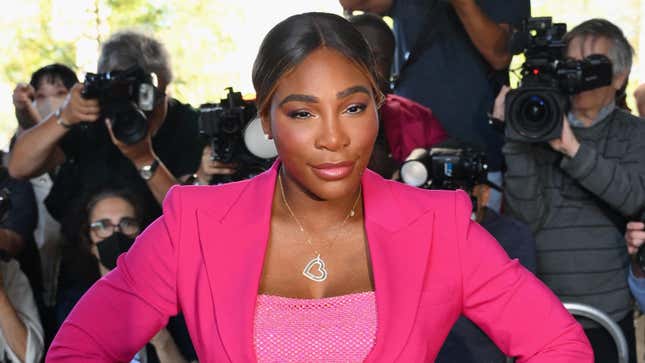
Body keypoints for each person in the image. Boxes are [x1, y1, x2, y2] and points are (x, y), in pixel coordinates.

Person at [47, 12, 592, 362]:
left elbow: (559, 345)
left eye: (354, 107)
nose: (334, 138)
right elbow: (78, 348)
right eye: (304, 112)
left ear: (380, 107)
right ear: (267, 118)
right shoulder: (195, 222)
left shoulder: (437, 224)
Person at [500, 18, 645, 363]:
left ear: (620, 77)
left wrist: (572, 148)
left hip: (608, 314)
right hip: (544, 314)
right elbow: (525, 219)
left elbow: (635, 198)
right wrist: (516, 136)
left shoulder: (635, 134)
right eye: (568, 65)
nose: (576, 76)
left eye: (588, 66)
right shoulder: (535, 127)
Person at [339, 0, 530, 211]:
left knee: (469, 237)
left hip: (477, 153)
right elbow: (353, 3)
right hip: (405, 136)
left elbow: (500, 56)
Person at [8, 30, 202, 227]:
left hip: (162, 248)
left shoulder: (189, 126)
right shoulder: (95, 114)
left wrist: (144, 159)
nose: (136, 110)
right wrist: (64, 115)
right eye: (127, 96)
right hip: (86, 251)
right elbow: (19, 168)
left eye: (146, 99)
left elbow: (190, 217)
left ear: (165, 86)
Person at [55, 188, 196, 363]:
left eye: (127, 223)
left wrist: (162, 341)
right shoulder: (74, 305)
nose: (116, 234)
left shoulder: (172, 304)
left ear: (142, 234)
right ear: (89, 240)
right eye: (103, 226)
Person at [347, 13, 448, 179]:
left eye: (379, 58)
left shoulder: (419, 118)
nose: (368, 67)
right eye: (357, 57)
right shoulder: (316, 123)